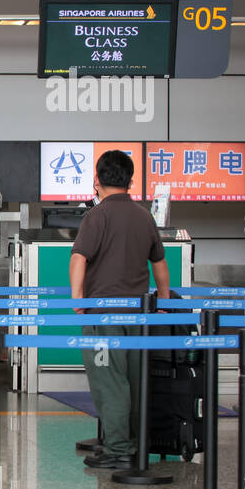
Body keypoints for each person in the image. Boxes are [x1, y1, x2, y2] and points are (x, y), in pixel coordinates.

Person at [72, 149, 170, 469]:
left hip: (104, 313)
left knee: (109, 381)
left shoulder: (96, 216)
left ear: (97, 180)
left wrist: (78, 300)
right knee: (134, 379)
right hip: (139, 313)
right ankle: (133, 443)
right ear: (130, 180)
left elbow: (79, 258)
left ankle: (117, 450)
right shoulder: (145, 216)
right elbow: (159, 263)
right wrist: (164, 304)